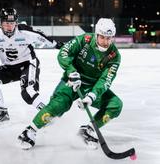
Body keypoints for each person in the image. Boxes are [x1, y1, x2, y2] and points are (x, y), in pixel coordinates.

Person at [18, 18, 123, 149]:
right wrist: (72, 71)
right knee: (59, 105)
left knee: (115, 105)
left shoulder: (114, 56)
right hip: (70, 80)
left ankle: (87, 130)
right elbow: (63, 52)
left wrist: (92, 96)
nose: (106, 41)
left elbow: (106, 80)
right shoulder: (84, 40)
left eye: (109, 38)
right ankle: (30, 131)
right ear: (96, 34)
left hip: (92, 86)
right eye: (103, 37)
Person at [0, 8, 62, 127]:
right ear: (1, 23)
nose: (9, 26)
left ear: (16, 23)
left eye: (12, 23)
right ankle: (2, 112)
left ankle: (48, 113)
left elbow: (42, 37)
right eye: (6, 23)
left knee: (28, 93)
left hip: (28, 64)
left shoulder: (25, 32)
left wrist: (58, 45)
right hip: (9, 68)